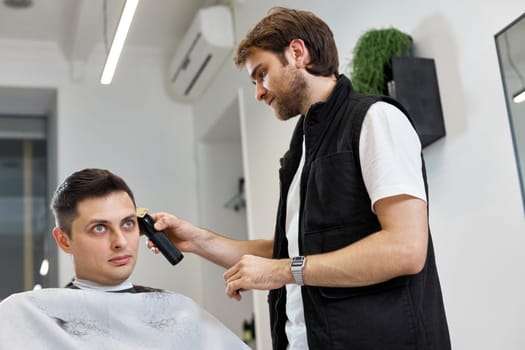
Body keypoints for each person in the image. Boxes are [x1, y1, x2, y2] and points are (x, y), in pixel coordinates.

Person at [150, 7, 451, 350]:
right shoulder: (301, 151)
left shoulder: (375, 119)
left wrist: (282, 272)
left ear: (297, 53)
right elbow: (293, 251)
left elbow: (406, 249)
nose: (259, 93)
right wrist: (196, 240)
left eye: (261, 74)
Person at [0, 168, 249, 350]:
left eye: (128, 224)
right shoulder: (28, 315)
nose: (120, 241)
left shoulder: (180, 313)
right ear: (64, 240)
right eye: (99, 228)